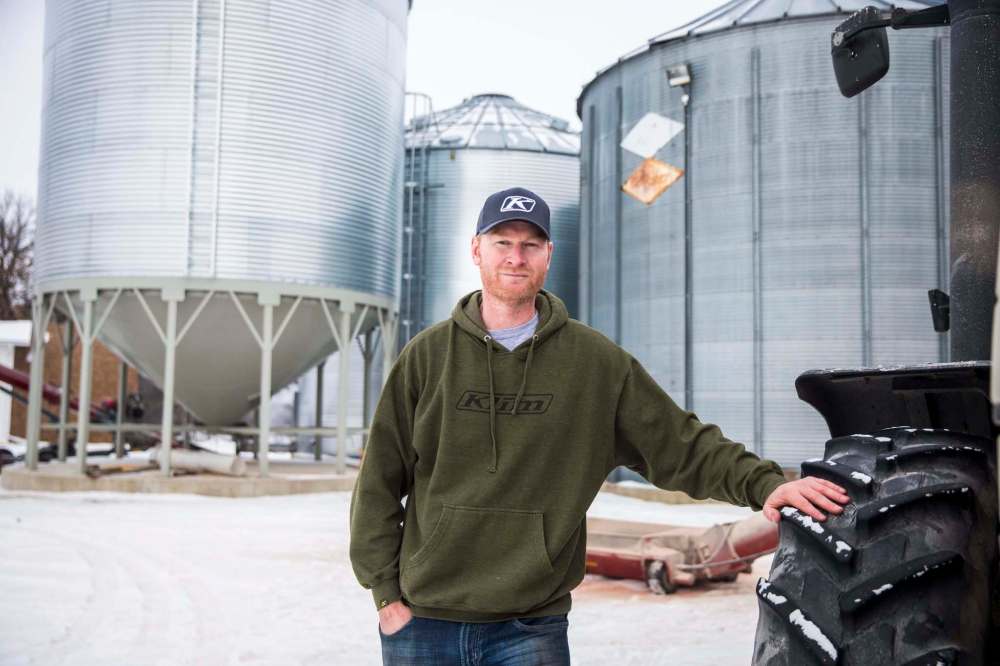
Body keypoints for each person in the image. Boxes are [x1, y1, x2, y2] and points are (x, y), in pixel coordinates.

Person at [350, 186, 849, 665]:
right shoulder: (427, 357)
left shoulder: (594, 363)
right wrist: (386, 596)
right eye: (502, 242)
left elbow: (680, 444)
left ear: (548, 255)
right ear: (477, 250)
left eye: (531, 245)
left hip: (531, 625)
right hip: (426, 622)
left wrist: (766, 484)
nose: (516, 258)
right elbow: (378, 481)